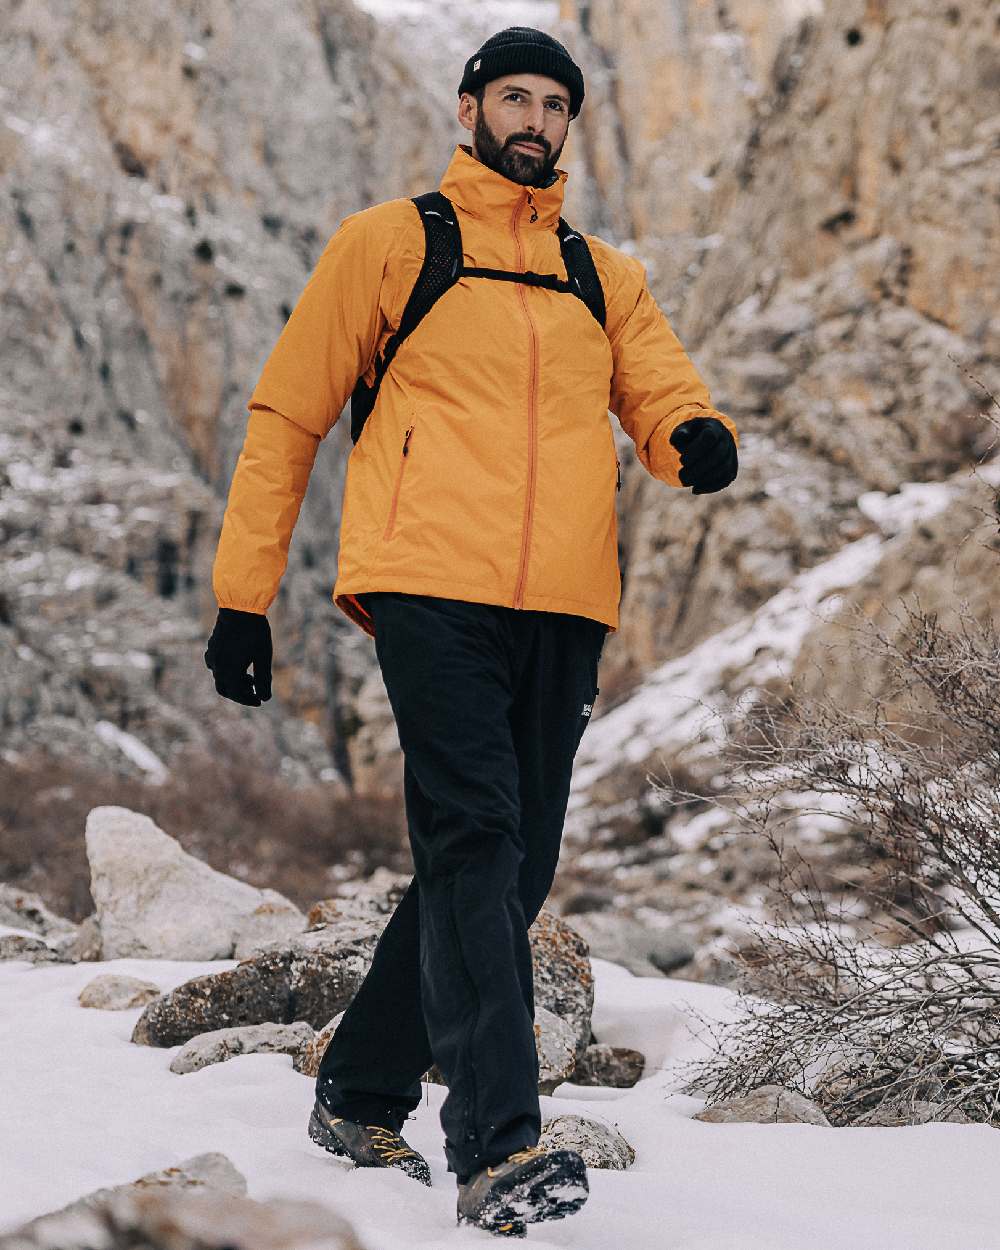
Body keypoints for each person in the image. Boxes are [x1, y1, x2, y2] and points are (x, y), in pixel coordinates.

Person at [205, 25, 738, 1237]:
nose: (535, 120)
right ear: (467, 108)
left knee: (506, 861)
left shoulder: (605, 272)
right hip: (425, 583)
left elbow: (657, 384)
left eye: (556, 104)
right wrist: (246, 593)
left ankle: (359, 1084)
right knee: (475, 834)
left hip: (561, 600)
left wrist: (689, 435)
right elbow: (289, 411)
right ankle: (499, 1144)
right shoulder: (393, 243)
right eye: (515, 97)